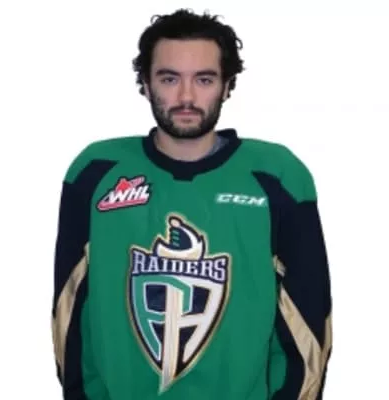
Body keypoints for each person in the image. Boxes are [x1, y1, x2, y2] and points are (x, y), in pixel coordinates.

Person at [51, 8, 333, 400]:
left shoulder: (278, 177)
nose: (186, 97)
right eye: (169, 78)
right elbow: (69, 314)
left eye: (204, 79)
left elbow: (307, 318)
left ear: (227, 85)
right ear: (145, 83)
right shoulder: (96, 172)